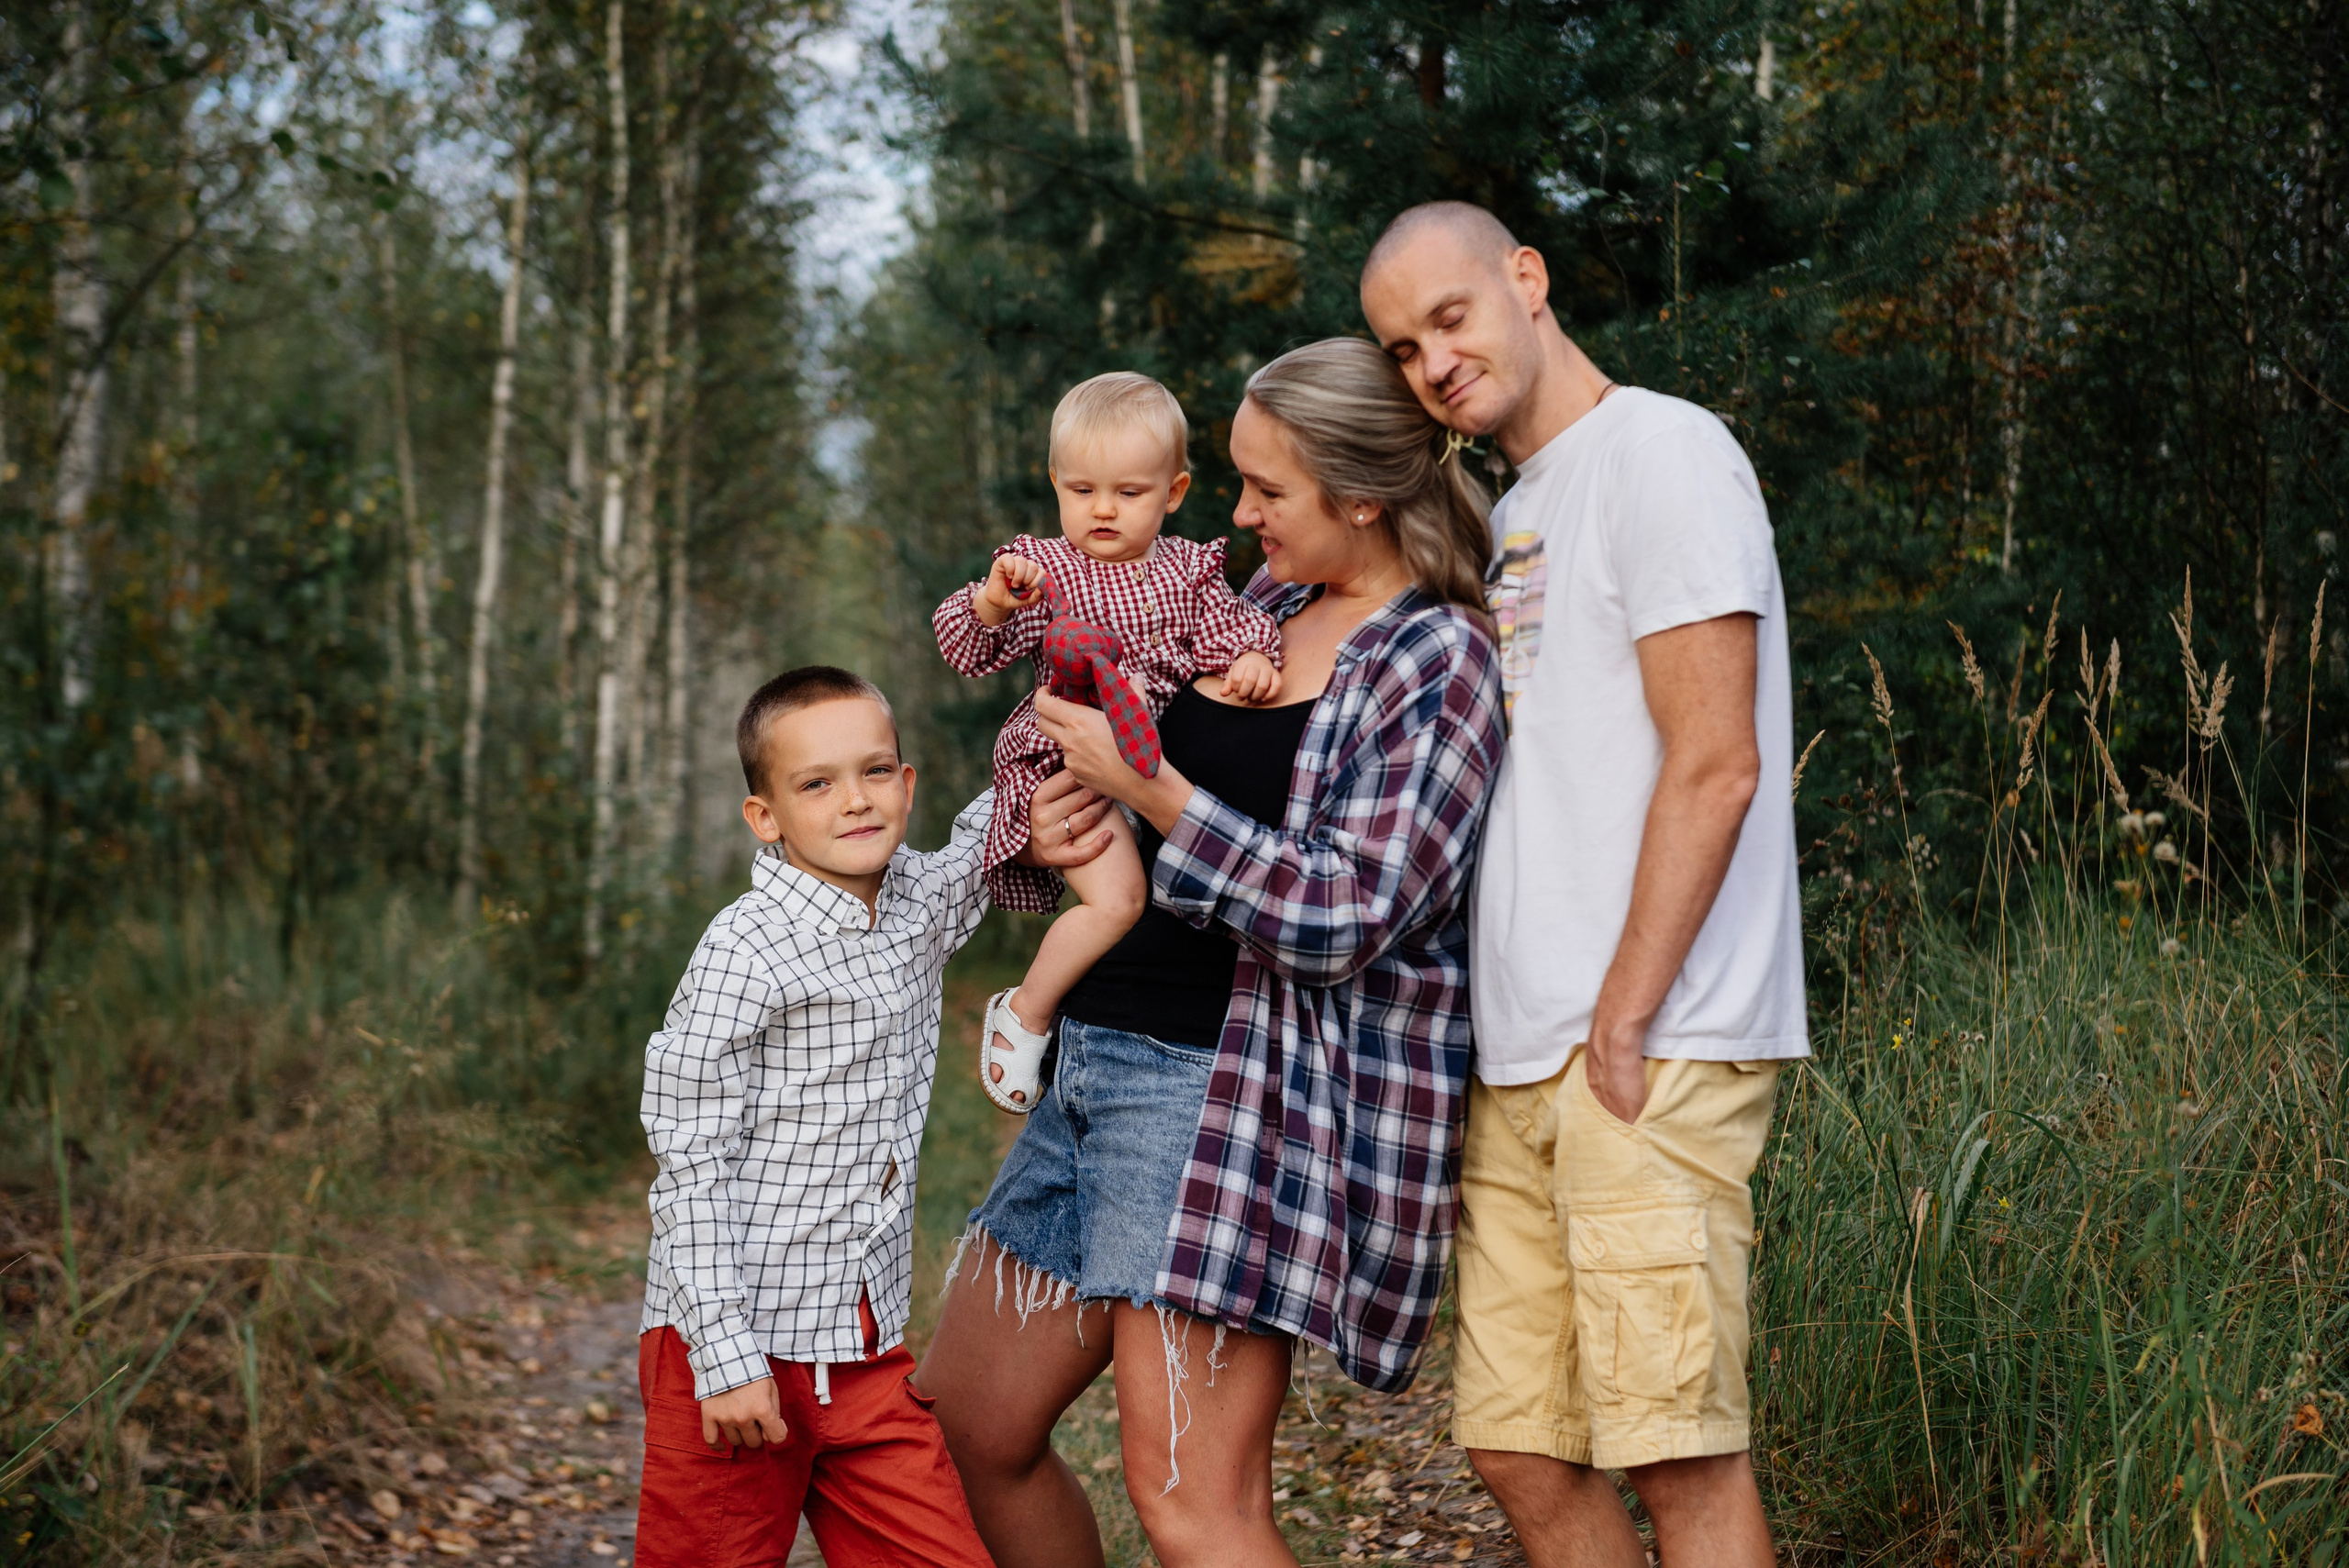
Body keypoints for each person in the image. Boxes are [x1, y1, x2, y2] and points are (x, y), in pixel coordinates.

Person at [915, 339, 1506, 1568]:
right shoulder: (1262, 609)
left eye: (1264, 490)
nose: (1238, 515)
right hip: (1096, 1062)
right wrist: (1082, 810)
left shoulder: (1433, 662)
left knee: (1191, 1501)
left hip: (1221, 1098)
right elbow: (1110, 730)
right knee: (969, 1413)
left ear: (1360, 494)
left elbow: (1350, 911)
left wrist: (1157, 792)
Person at [1360, 201, 1809, 1568]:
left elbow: (1717, 762)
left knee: (1677, 1450)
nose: (1434, 362)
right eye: (1402, 349)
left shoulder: (1662, 452)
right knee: (1520, 1447)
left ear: (1526, 281)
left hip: (1644, 1045)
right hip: (1525, 1058)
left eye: (1450, 318)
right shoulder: (1513, 507)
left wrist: (1624, 1018)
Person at [634, 664, 1091, 1568]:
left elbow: (982, 841)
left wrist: (1077, 663)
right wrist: (724, 1356)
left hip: (863, 1351)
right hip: (729, 1346)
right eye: (816, 782)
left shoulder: (914, 897)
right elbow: (690, 1164)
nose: (855, 800)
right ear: (765, 816)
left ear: (906, 781)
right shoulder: (746, 947)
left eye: (875, 771)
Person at [933, 371, 1284, 1116]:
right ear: (1057, 481)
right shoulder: (1045, 570)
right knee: (1121, 900)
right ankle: (1028, 1007)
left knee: (1158, 894)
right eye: (1083, 489)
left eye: (1128, 492)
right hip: (1067, 768)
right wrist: (995, 599)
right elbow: (967, 647)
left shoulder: (1186, 573)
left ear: (1175, 492)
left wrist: (1253, 656)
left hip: (1147, 766)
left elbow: (1235, 627)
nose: (1102, 509)